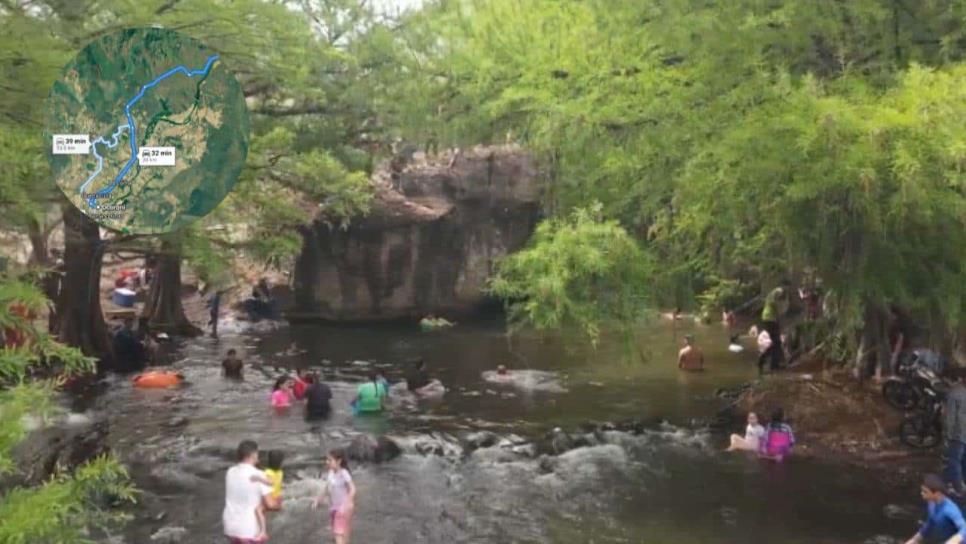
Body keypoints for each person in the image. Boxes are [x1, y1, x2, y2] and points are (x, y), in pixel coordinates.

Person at [223, 440, 278, 543]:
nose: (258, 455)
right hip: (248, 530)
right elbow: (270, 504)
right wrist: (279, 504)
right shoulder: (259, 474)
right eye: (257, 453)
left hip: (230, 527)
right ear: (252, 455)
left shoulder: (230, 472)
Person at [904, 473, 966, 544]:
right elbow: (930, 524)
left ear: (937, 493)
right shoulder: (931, 503)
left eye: (925, 492)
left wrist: (952, 541)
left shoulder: (950, 510)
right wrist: (914, 540)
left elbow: (964, 529)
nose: (922, 493)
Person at [314, 449, 356, 544]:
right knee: (341, 532)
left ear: (339, 461)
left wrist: (346, 504)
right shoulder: (331, 473)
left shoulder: (343, 473)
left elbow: (353, 489)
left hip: (343, 508)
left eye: (329, 460)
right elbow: (326, 489)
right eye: (326, 459)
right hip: (334, 507)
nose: (327, 462)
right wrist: (318, 499)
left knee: (338, 533)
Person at [946, 368, 966, 496]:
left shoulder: (955, 392)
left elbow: (951, 416)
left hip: (959, 432)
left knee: (955, 460)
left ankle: (958, 488)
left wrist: (949, 434)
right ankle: (962, 483)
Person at [760, 284, 787, 371]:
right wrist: (779, 312)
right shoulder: (779, 291)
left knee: (776, 343)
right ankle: (772, 364)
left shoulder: (774, 292)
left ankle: (765, 360)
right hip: (770, 318)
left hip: (768, 317)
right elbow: (775, 303)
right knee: (777, 343)